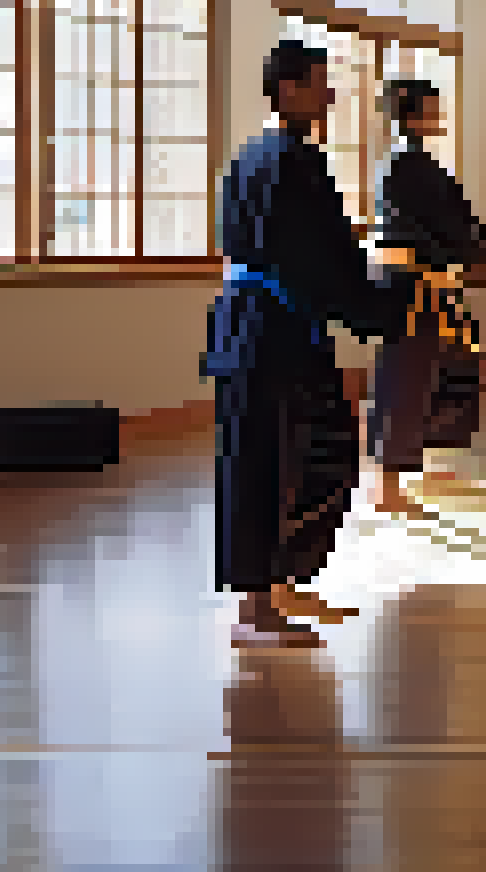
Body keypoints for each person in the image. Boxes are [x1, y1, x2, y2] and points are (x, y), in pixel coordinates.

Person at [202, 40, 403, 648]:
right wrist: (382, 305)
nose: (331, 94)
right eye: (321, 83)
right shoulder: (292, 161)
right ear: (290, 89)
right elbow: (323, 256)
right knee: (274, 462)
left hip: (257, 326)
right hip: (272, 332)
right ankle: (255, 610)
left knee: (301, 454)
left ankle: (281, 580)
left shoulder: (254, 155)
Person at [366, 80, 486, 513]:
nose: (440, 116)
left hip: (411, 279)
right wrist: (469, 248)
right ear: (413, 114)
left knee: (430, 371)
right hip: (412, 283)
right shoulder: (410, 165)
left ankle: (408, 464)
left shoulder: (402, 163)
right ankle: (388, 484)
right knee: (406, 376)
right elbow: (449, 225)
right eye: (434, 108)